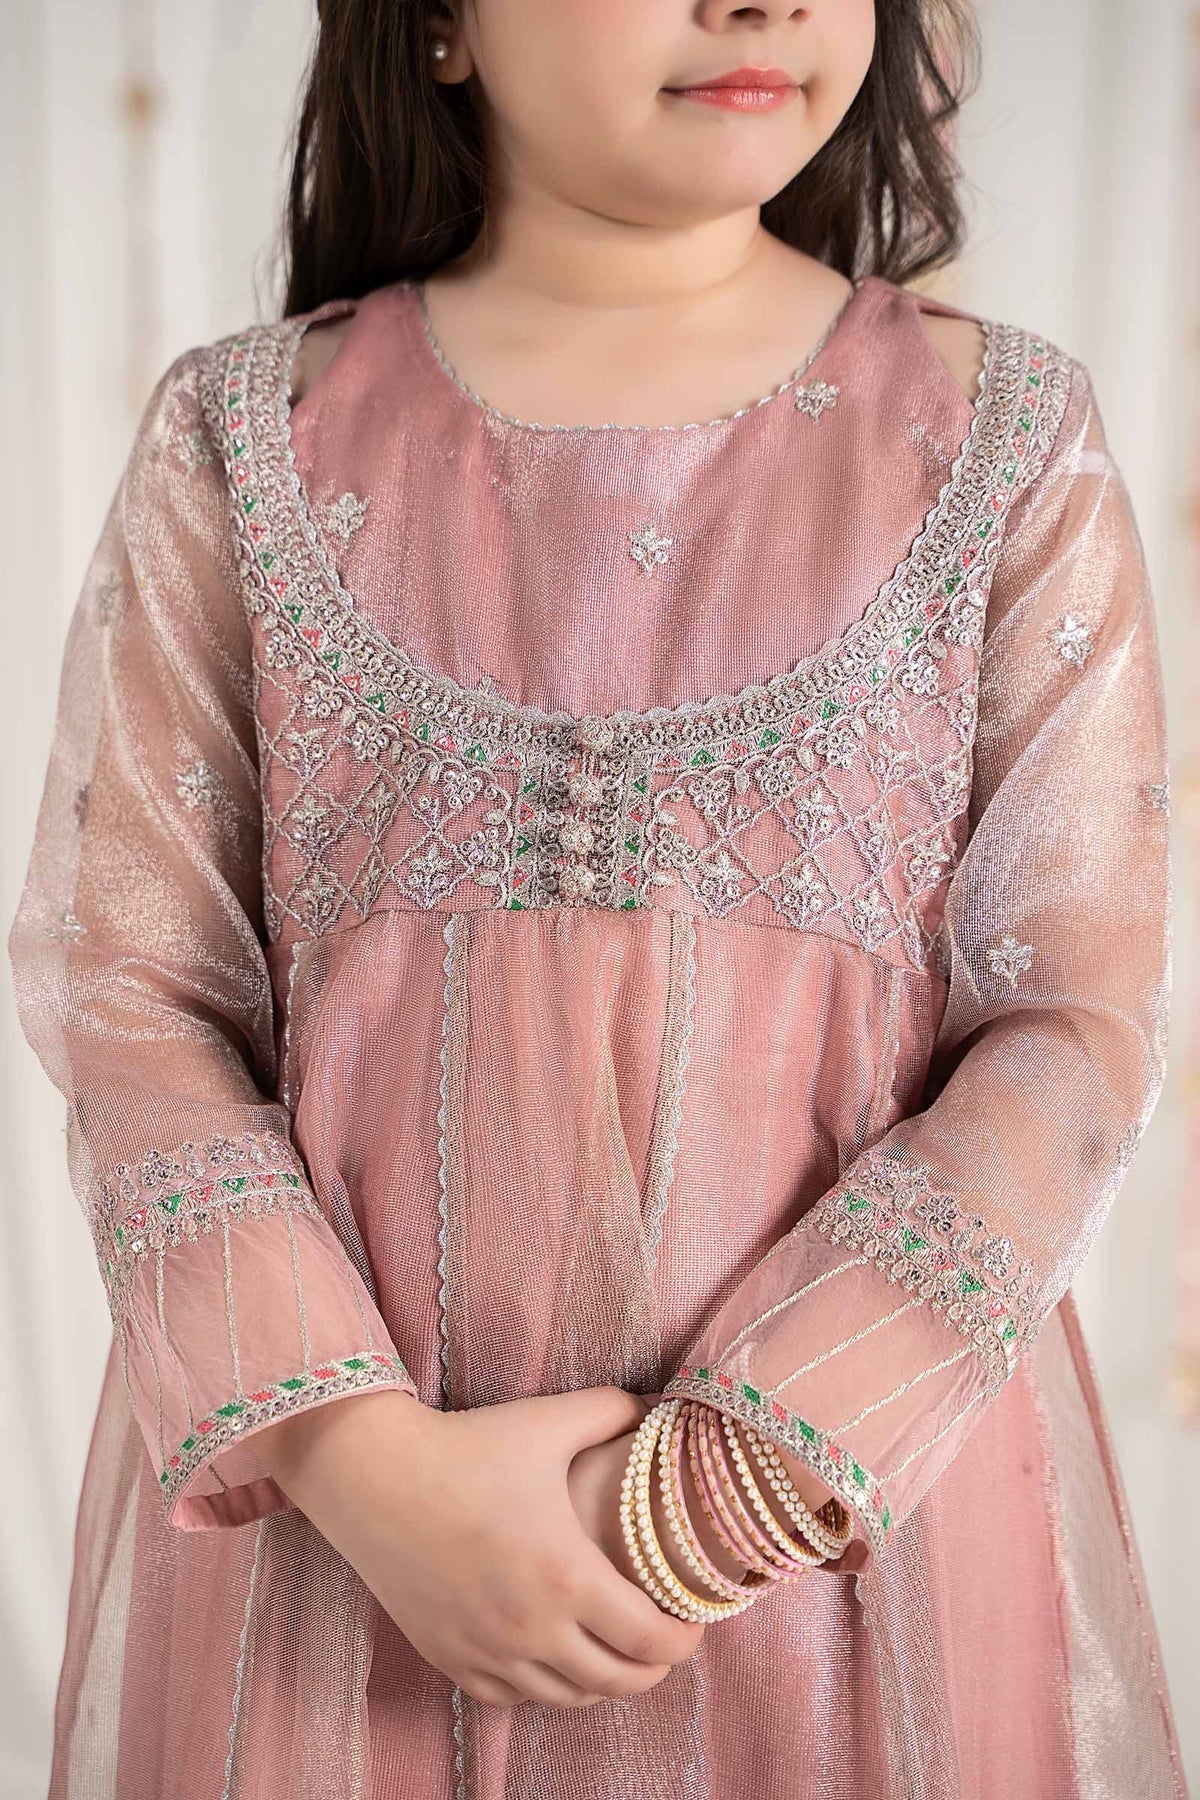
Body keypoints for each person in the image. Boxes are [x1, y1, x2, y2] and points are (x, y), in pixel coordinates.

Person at [7, 1, 1189, 1795]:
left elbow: (1069, 1030)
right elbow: (131, 1000)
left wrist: (714, 1494)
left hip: (832, 1558)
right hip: (351, 1569)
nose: (758, 3)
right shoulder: (248, 438)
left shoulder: (1002, 437)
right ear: (437, 24)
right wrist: (364, 1464)